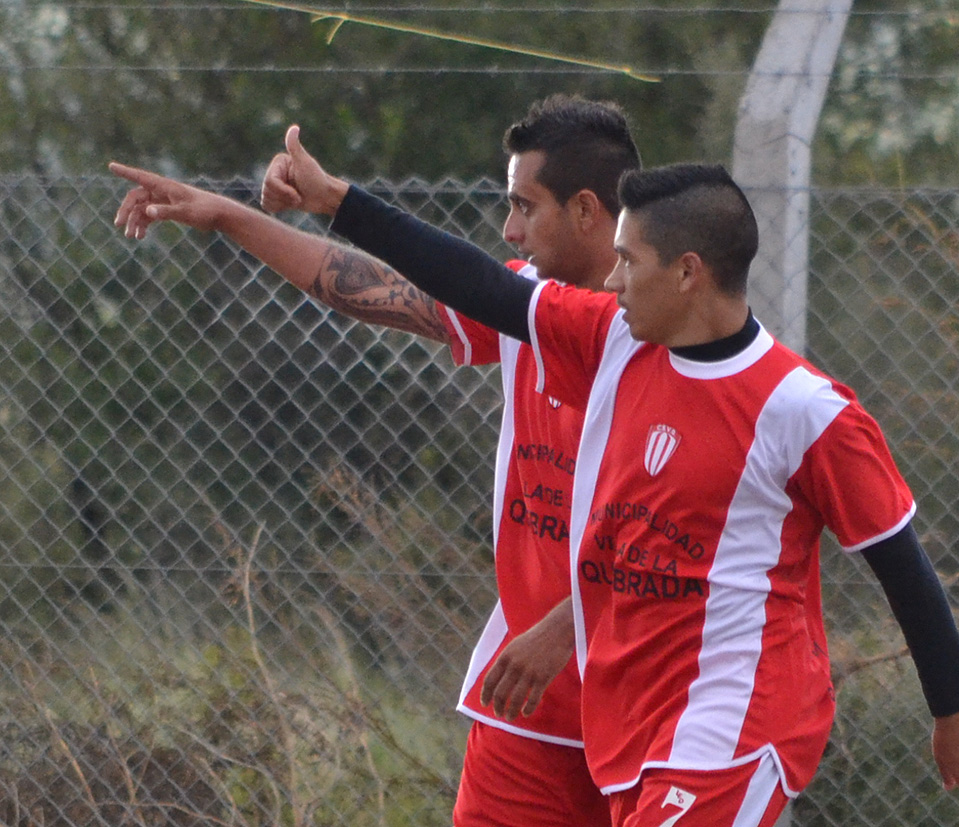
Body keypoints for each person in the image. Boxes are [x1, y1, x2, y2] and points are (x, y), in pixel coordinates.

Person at [114, 155, 959, 822]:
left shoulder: (805, 412)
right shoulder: (609, 338)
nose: (610, 279)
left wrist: (953, 711)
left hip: (738, 720)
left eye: (629, 261)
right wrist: (338, 201)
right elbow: (463, 278)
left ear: (689, 272)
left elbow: (901, 567)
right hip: (629, 721)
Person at [112, 94, 640, 827]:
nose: (508, 228)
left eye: (525, 206)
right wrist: (230, 215)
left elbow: (683, 532)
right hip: (529, 707)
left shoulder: (665, 343)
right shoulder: (525, 300)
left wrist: (564, 626)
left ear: (587, 211)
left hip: (650, 710)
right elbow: (369, 289)